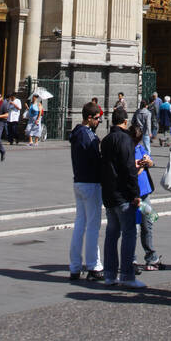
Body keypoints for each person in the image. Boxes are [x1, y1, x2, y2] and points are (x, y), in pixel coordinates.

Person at [100, 107, 145, 290]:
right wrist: (135, 194)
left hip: (109, 193)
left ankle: (110, 275)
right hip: (124, 196)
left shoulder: (106, 139)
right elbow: (128, 169)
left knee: (111, 234)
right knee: (129, 234)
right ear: (125, 121)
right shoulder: (125, 139)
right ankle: (127, 275)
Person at [69, 104, 104, 281]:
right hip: (91, 183)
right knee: (93, 226)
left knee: (80, 224)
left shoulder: (77, 132)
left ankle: (75, 266)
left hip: (79, 182)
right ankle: (94, 266)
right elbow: (95, 159)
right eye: (97, 118)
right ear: (89, 118)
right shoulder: (87, 135)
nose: (99, 121)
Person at [130, 123, 162, 272]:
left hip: (145, 193)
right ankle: (131, 259)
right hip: (134, 195)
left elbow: (150, 161)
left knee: (148, 222)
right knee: (135, 227)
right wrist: (140, 167)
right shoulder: (127, 149)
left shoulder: (139, 148)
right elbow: (127, 172)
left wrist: (149, 162)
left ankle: (151, 257)